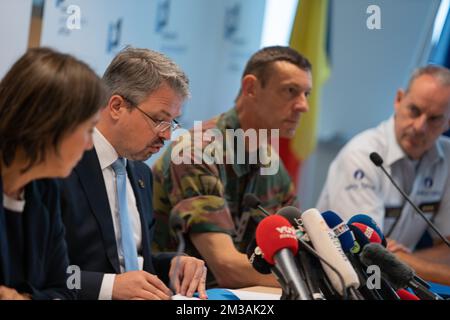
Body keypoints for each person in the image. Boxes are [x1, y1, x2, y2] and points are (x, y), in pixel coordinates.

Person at [152, 46, 312, 288]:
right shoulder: (197, 152)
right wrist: (311, 281)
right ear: (251, 88)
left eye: (306, 94)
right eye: (290, 91)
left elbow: (295, 250)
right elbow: (225, 267)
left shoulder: (272, 166)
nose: (303, 106)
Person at [59, 47, 207, 300]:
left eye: (172, 123)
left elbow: (129, 263)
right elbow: (35, 273)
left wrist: (172, 264)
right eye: (159, 120)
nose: (168, 135)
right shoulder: (61, 167)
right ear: (116, 106)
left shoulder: (140, 174)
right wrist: (109, 287)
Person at [317, 65, 450, 285]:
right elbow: (366, 252)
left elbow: (447, 250)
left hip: (394, 284)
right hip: (340, 281)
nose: (419, 127)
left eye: (435, 119)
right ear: (398, 100)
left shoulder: (447, 158)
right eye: (414, 111)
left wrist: (402, 260)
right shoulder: (361, 154)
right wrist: (399, 259)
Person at [0, 48, 107, 299]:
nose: (90, 144)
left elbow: (65, 290)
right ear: (51, 123)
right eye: (89, 129)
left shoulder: (44, 189)